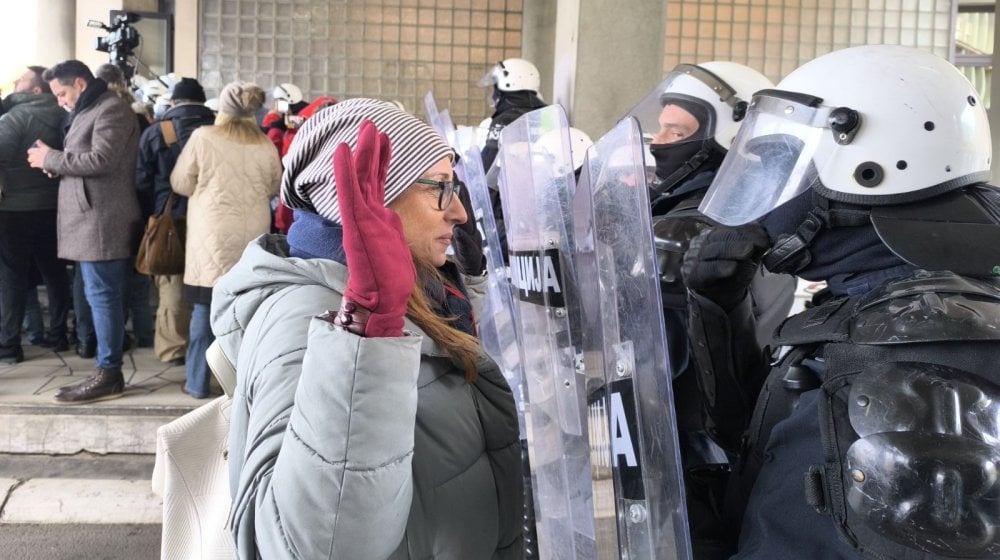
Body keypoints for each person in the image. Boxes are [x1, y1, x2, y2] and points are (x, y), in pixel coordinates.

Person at [681, 44, 1000, 559]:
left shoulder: (908, 351)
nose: (769, 192)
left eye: (786, 166)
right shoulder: (895, 302)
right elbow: (777, 454)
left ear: (868, 174)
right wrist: (722, 311)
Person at [213, 98, 523, 558]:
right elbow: (307, 544)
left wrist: (466, 284)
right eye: (440, 187)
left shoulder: (402, 290)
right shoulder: (310, 318)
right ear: (372, 199)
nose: (457, 211)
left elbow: (428, 383)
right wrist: (365, 335)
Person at [632, 61, 796, 559]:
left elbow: (672, 358)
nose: (659, 140)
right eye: (660, 125)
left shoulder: (705, 230)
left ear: (732, 137)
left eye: (676, 130)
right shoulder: (705, 213)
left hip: (694, 454)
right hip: (681, 441)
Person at [27, 60, 141, 404]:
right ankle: (105, 368)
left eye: (62, 92)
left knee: (103, 297)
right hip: (89, 217)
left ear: (79, 83)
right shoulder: (91, 108)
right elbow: (84, 158)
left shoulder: (111, 110)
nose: (60, 100)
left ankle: (109, 373)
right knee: (98, 296)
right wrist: (57, 164)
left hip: (102, 220)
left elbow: (102, 160)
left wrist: (52, 160)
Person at [170, 81, 281, 399]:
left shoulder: (203, 137)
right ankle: (240, 387)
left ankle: (197, 382)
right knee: (246, 313)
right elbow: (275, 187)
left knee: (205, 309)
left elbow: (180, 182)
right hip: (253, 236)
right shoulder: (264, 144)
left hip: (212, 234)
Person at [136, 76, 215, 367]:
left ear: (173, 102)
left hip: (171, 217)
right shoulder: (219, 129)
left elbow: (142, 181)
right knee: (211, 283)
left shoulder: (160, 131)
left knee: (171, 282)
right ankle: (210, 350)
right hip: (212, 217)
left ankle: (173, 349)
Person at [0, 65, 71, 362]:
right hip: (55, 206)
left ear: (36, 89)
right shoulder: (66, 116)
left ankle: (10, 345)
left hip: (15, 208)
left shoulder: (14, 118)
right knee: (55, 272)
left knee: (12, 276)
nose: (15, 81)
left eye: (22, 79)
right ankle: (59, 335)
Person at [476, 58, 547, 173]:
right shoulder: (548, 114)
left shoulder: (504, 120)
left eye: (496, 88)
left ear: (508, 84)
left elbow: (486, 167)